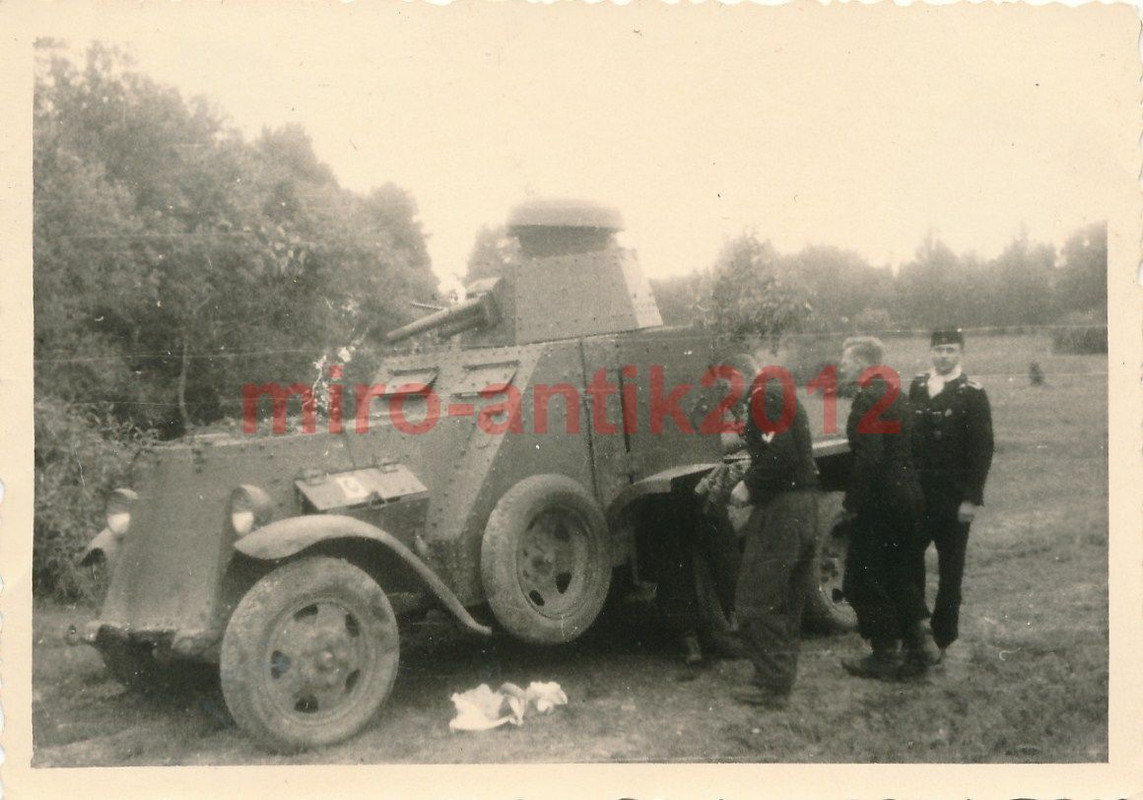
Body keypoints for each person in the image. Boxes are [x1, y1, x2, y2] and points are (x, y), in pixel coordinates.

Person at [838, 336, 939, 680]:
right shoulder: (898, 395)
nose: (842, 366)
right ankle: (921, 644)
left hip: (882, 500)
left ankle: (884, 654)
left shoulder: (868, 398)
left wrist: (852, 504)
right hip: (910, 496)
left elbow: (868, 458)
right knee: (900, 572)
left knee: (860, 578)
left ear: (864, 364)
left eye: (847, 361)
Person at [728, 369, 819, 708]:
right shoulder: (776, 393)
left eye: (725, 383)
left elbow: (781, 453)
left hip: (783, 509)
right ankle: (778, 676)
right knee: (787, 597)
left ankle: (772, 685)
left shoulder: (763, 397)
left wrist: (748, 485)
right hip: (802, 504)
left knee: (757, 595)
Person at [908, 328, 994, 661]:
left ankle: (943, 638)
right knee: (909, 559)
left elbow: (982, 449)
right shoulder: (917, 385)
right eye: (938, 349)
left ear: (960, 353)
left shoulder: (971, 392)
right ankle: (916, 629)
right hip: (918, 495)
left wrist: (971, 498)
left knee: (950, 569)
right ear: (930, 352)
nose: (944, 355)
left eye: (950, 350)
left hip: (953, 498)